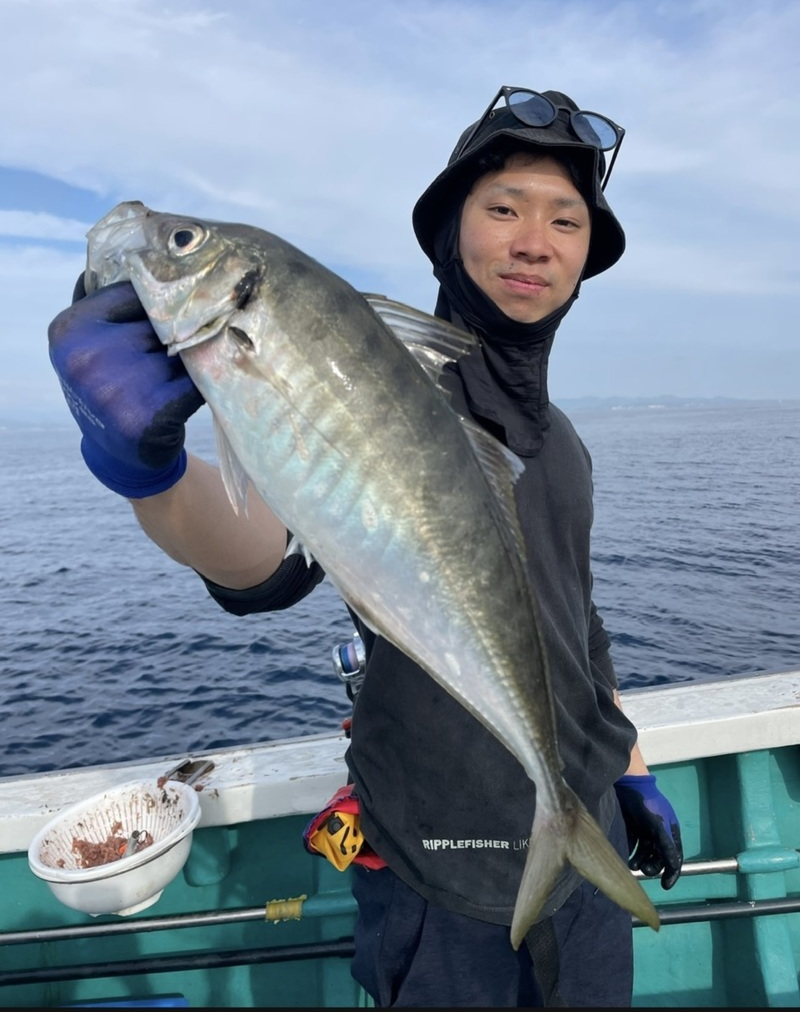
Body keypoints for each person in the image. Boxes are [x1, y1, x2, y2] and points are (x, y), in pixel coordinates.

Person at [48, 85, 683, 1008]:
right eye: (504, 209)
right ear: (451, 234)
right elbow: (262, 558)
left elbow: (576, 629)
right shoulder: (376, 388)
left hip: (588, 851)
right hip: (439, 880)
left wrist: (631, 771)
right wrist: (151, 473)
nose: (534, 241)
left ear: (584, 258)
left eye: (566, 221)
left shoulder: (566, 447)